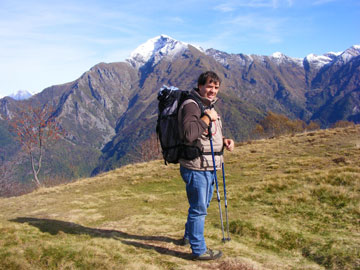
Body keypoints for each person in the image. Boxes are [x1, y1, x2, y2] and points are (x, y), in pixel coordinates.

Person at [178, 71, 234, 260]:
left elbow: (207, 134)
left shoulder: (208, 106)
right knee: (199, 208)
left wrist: (224, 141)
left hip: (209, 165)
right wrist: (208, 118)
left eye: (216, 87)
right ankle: (199, 250)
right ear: (200, 86)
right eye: (209, 86)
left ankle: (188, 236)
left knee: (200, 205)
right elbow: (188, 134)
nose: (213, 91)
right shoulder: (192, 105)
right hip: (197, 167)